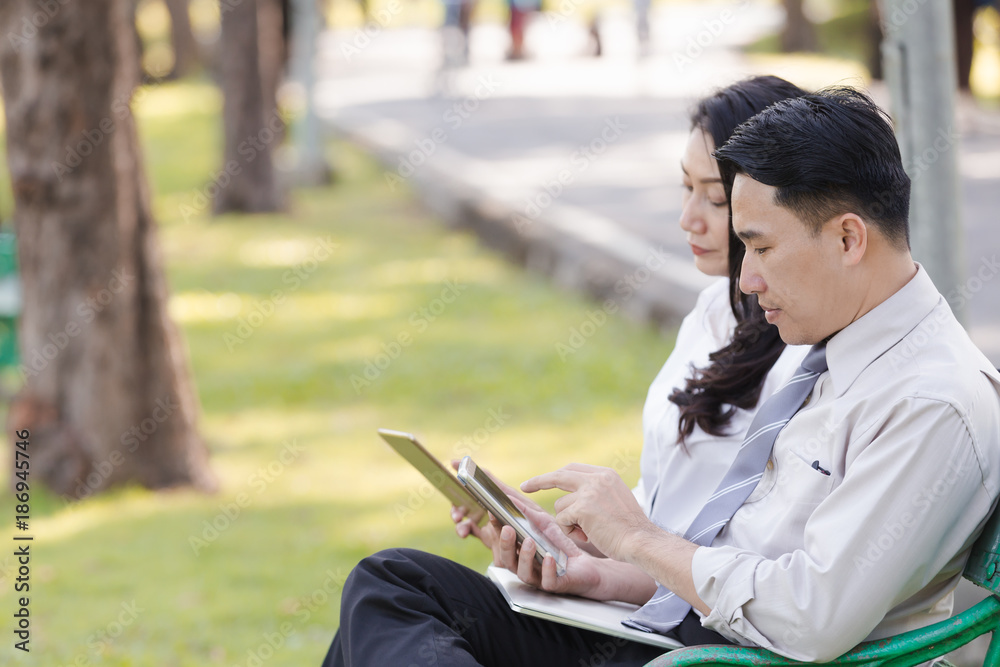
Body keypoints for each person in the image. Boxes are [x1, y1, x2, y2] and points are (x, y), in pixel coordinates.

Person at [322, 77, 811, 667]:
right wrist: (568, 541)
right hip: (634, 606)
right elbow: (666, 500)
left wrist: (608, 568)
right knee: (392, 588)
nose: (688, 218)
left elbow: (748, 576)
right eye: (685, 189)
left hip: (687, 642)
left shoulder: (804, 360)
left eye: (713, 198)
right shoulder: (713, 312)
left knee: (386, 593)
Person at [517, 87, 1000, 661]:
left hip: (717, 657)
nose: (745, 280)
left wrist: (638, 538)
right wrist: (602, 572)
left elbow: (809, 616)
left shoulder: (928, 402)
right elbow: (743, 562)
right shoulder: (833, 351)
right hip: (691, 640)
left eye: (760, 247)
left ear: (849, 238)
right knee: (409, 583)